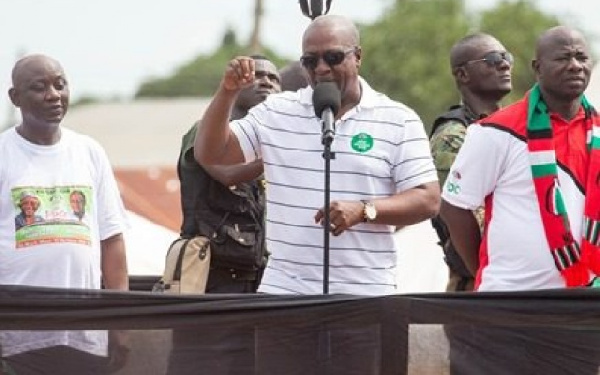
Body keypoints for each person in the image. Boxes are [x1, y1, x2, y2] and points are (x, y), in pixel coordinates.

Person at [194, 14, 440, 296]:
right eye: (310, 61)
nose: (321, 68)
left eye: (333, 57)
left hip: (366, 294)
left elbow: (428, 198)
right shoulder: (276, 111)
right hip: (284, 292)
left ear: (357, 56)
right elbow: (214, 154)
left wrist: (364, 210)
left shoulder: (399, 119)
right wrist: (227, 93)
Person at [440, 26, 600, 374]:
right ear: (537, 67)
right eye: (563, 57)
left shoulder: (598, 131)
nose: (575, 65)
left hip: (582, 309)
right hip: (507, 309)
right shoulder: (496, 131)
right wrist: (482, 270)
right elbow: (453, 207)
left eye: (582, 57)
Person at [0, 54, 129, 374]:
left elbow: (112, 241)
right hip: (17, 337)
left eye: (60, 84)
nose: (54, 94)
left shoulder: (89, 152)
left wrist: (122, 325)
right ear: (15, 98)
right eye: (39, 87)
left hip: (86, 336)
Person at [166, 55, 280, 375]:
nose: (266, 82)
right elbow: (225, 171)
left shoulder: (269, 142)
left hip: (259, 285)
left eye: (274, 78)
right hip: (211, 282)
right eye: (257, 75)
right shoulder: (205, 132)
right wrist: (282, 154)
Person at [430, 33, 513, 293]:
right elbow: (455, 214)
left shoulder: (512, 128)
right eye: (492, 59)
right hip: (476, 285)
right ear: (462, 75)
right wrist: (486, 278)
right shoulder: (453, 135)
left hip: (515, 277)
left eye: (506, 57)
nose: (504, 64)